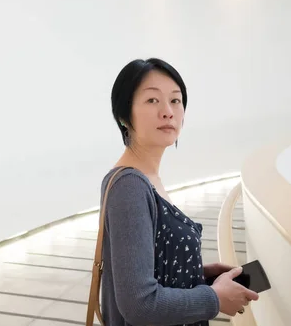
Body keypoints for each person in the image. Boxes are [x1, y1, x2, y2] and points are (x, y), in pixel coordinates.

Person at [99, 58, 259, 326]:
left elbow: (148, 267)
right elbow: (139, 305)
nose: (168, 111)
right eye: (152, 101)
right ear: (123, 115)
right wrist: (214, 299)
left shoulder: (146, 179)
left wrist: (199, 274)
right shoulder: (129, 186)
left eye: (175, 100)